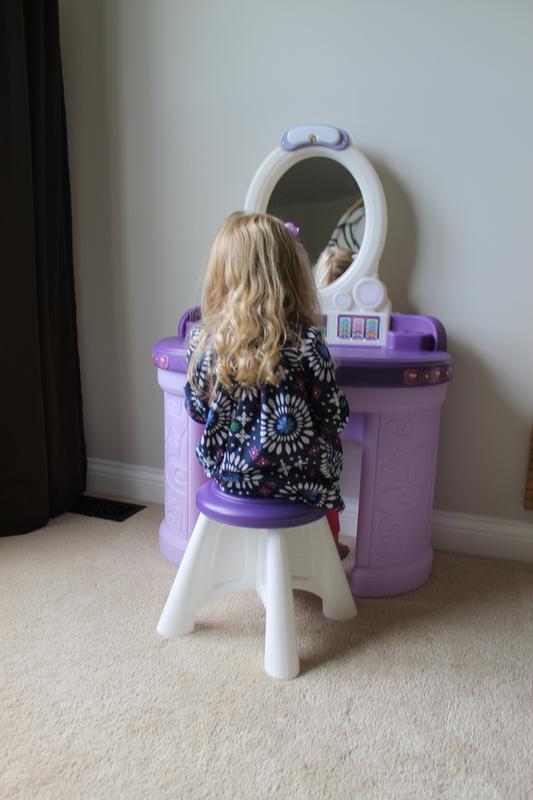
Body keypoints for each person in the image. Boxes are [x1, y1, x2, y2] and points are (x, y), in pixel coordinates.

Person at [184, 211, 350, 553]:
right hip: (302, 483)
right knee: (328, 464)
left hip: (230, 479)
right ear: (292, 277)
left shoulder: (205, 340)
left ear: (221, 277)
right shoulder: (309, 342)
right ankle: (325, 552)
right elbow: (334, 417)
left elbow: (198, 411)